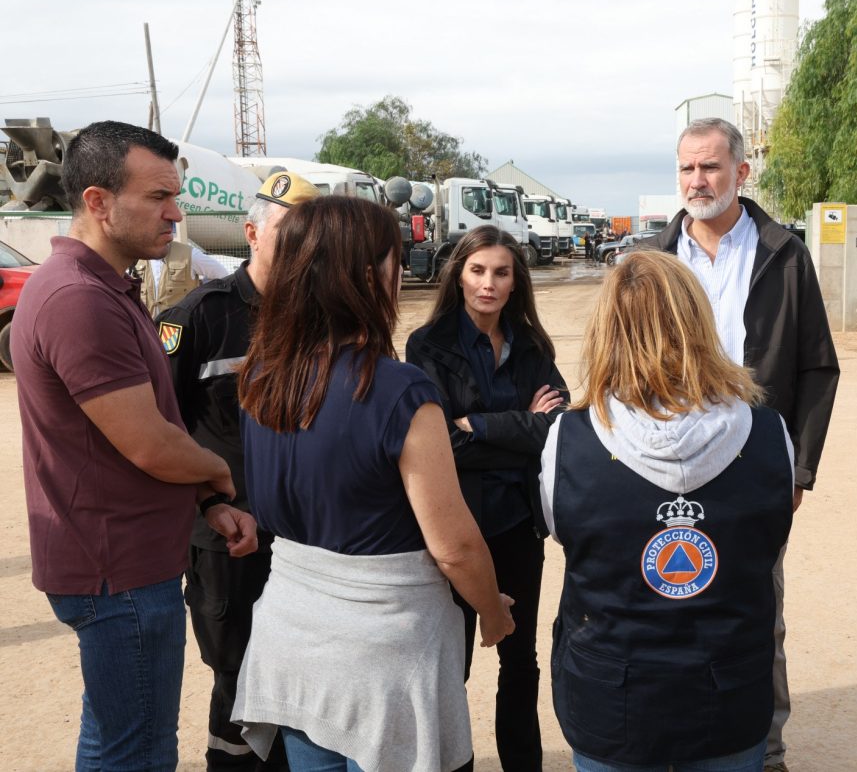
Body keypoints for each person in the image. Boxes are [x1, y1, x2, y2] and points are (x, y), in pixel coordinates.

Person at [230, 196, 515, 772]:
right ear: (366, 276)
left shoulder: (261, 374)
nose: (403, 272)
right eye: (396, 260)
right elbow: (455, 546)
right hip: (382, 661)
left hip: (294, 645)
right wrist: (493, 610)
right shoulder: (397, 391)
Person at [10, 120, 257, 771]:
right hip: (117, 571)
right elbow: (150, 443)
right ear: (97, 201)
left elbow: (147, 432)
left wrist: (205, 503)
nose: (175, 213)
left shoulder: (107, 289)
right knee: (139, 750)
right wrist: (222, 475)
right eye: (157, 197)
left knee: (118, 737)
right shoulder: (76, 300)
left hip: (127, 561)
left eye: (174, 195)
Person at [539, 250, 794, 771]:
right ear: (699, 322)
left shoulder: (568, 439)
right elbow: (770, 533)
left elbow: (562, 528)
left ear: (606, 329)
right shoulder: (771, 435)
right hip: (730, 694)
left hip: (613, 697)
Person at [649, 116, 839, 772]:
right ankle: (678, 741)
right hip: (664, 472)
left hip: (755, 474)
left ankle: (768, 750)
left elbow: (817, 366)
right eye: (686, 169)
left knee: (757, 615)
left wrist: (799, 469)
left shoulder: (784, 255)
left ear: (741, 171)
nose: (697, 181)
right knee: (666, 609)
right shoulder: (650, 261)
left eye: (710, 167)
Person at [156, 170, 318, 771]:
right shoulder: (197, 318)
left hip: (307, 539)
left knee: (305, 680)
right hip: (230, 538)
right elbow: (161, 428)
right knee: (239, 681)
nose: (303, 248)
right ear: (251, 232)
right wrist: (206, 503)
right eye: (287, 233)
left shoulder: (321, 318)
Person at [406, 224, 566, 772]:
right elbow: (442, 446)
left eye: (501, 273)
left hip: (519, 526)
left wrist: (481, 425)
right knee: (451, 664)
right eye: (477, 271)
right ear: (459, 275)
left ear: (516, 281)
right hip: (456, 528)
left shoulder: (533, 346)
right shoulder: (427, 346)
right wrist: (522, 426)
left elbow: (557, 429)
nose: (489, 284)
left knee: (521, 660)